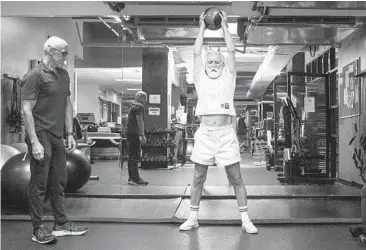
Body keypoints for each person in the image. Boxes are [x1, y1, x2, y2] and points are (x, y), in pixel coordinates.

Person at [179, 11, 258, 234]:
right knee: (197, 177)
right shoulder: (200, 77)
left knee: (235, 177)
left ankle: (245, 219)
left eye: (217, 61)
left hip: (225, 134)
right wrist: (202, 28)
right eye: (210, 61)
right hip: (205, 133)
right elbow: (196, 53)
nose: (213, 63)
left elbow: (231, 50)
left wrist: (224, 26)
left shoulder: (229, 77)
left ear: (223, 65)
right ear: (206, 64)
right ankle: (193, 218)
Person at [21, 36, 87, 245]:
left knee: (59, 180)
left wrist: (69, 133)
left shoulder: (63, 75)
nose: (66, 58)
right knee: (39, 183)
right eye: (63, 53)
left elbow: (67, 104)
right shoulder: (35, 76)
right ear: (50, 51)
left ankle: (60, 224)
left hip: (57, 135)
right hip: (40, 133)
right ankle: (38, 228)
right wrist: (34, 142)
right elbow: (26, 110)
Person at [126, 91, 149, 185]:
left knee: (131, 156)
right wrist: (142, 135)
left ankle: (131, 178)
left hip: (129, 133)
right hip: (135, 134)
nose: (146, 100)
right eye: (145, 98)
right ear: (140, 97)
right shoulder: (139, 106)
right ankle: (135, 179)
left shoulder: (132, 106)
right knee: (134, 156)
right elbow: (140, 120)